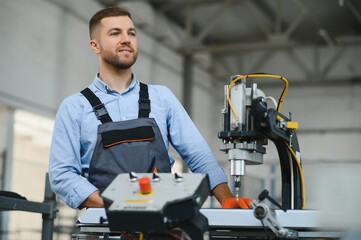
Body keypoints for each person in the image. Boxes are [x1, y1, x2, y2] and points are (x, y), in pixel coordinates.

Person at [49, 6, 250, 209]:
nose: (126, 39)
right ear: (95, 45)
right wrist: (113, 205)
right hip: (103, 227)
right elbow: (62, 175)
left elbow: (198, 155)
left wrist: (227, 199)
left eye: (132, 33)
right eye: (115, 33)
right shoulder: (74, 107)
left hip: (162, 226)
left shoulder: (162, 98)